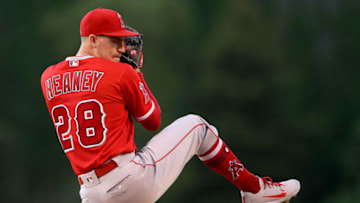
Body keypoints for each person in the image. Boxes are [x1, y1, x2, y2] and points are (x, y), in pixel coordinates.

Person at [40, 8, 301, 203]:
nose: (121, 48)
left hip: (90, 194)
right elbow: (152, 120)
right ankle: (253, 189)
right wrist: (136, 75)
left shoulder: (48, 78)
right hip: (128, 182)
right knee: (196, 126)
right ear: (93, 40)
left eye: (123, 40)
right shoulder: (120, 73)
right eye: (114, 41)